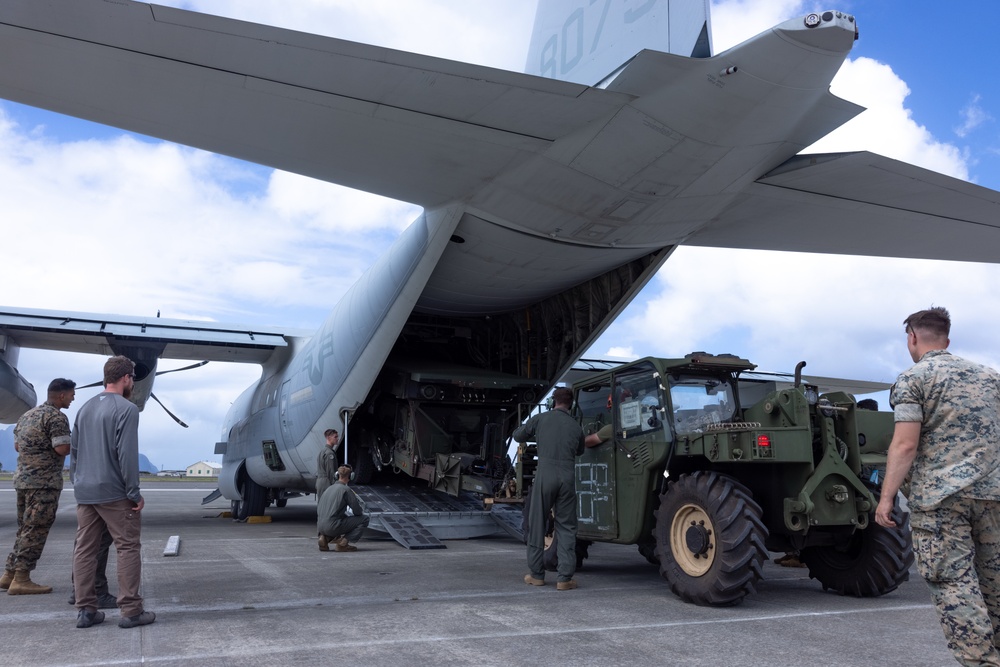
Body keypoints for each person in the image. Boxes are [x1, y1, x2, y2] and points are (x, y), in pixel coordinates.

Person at [875, 307, 1000, 666]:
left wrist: (886, 499)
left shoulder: (915, 379)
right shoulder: (989, 378)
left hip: (941, 501)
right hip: (993, 496)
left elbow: (905, 445)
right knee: (994, 581)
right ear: (947, 337)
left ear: (912, 337)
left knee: (953, 583)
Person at [70, 356, 155, 630]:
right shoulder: (127, 409)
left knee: (85, 550)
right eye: (132, 378)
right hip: (115, 493)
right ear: (127, 378)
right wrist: (134, 493)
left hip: (85, 492)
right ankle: (131, 610)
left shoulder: (84, 408)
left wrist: (79, 483)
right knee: (128, 547)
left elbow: (74, 453)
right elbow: (126, 455)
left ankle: (85, 610)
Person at [1, 378, 76, 595]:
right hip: (44, 484)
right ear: (61, 395)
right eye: (71, 394)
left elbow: (17, 445)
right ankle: (22, 578)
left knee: (24, 529)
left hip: (23, 481)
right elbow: (62, 448)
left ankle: (9, 574)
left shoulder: (26, 416)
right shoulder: (56, 417)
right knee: (36, 530)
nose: (73, 398)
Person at [512, 387, 588, 591]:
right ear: (570, 403)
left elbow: (518, 435)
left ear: (553, 401)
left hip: (545, 475)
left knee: (537, 523)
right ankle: (564, 578)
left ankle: (537, 575)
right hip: (567, 476)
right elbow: (580, 450)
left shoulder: (541, 419)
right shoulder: (575, 425)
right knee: (567, 526)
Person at [317, 465, 369, 552]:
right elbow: (357, 511)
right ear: (350, 476)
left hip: (320, 527)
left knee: (337, 520)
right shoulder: (346, 490)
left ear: (337, 475)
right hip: (332, 526)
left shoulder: (328, 489)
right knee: (364, 519)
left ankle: (324, 538)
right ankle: (343, 544)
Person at [315, 429, 341, 500]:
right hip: (327, 483)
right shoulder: (329, 453)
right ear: (329, 438)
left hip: (320, 482)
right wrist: (335, 486)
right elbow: (331, 472)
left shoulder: (322, 452)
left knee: (322, 506)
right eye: (335, 437)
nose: (337, 439)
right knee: (329, 506)